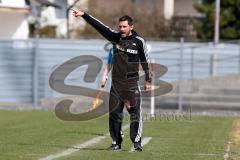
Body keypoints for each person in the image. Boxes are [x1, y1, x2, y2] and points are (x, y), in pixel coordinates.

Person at [72, 9, 152, 152]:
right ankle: (116, 142)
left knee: (134, 113)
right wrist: (84, 15)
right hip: (116, 84)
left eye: (124, 26)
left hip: (131, 83)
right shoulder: (116, 38)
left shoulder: (139, 42)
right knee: (114, 113)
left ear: (131, 27)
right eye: (120, 26)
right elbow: (100, 27)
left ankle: (137, 142)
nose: (121, 29)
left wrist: (148, 80)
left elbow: (146, 61)